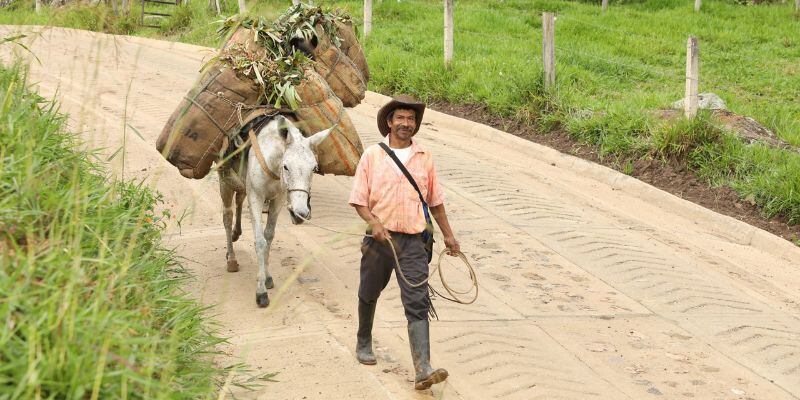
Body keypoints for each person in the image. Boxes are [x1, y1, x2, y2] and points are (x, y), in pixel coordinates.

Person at [348, 95, 461, 390]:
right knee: (369, 290)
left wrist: (448, 235)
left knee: (417, 301)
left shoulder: (425, 158)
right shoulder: (373, 155)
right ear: (389, 121)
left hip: (413, 242)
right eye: (401, 118)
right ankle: (363, 340)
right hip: (379, 240)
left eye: (411, 119)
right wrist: (374, 224)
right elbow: (359, 200)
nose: (406, 124)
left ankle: (423, 368)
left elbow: (435, 202)